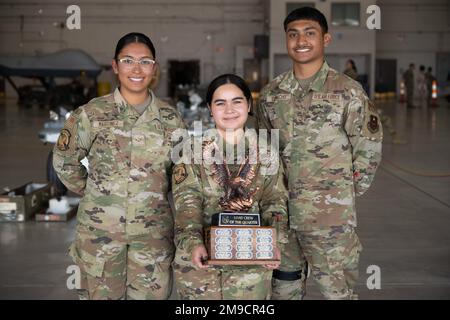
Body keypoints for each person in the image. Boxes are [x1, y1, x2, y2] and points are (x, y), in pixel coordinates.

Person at [257, 7, 383, 300]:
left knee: (336, 293)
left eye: (309, 33)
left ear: (325, 39)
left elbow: (368, 147)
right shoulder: (272, 94)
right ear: (286, 40)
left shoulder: (347, 91)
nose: (301, 40)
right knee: (282, 291)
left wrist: (342, 194)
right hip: (282, 219)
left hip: (330, 222)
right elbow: (264, 152)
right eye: (293, 34)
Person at [53, 32, 185, 300]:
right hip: (99, 236)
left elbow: (182, 175)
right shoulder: (91, 114)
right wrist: (97, 194)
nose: (137, 69)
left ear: (154, 67)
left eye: (145, 61)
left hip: (152, 238)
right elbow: (64, 161)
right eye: (128, 60)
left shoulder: (171, 120)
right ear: (115, 66)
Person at [172, 74, 289, 299]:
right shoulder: (192, 151)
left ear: (248, 104)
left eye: (237, 101)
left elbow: (275, 202)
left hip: (251, 266)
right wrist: (193, 244)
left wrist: (275, 242)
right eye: (220, 103)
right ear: (209, 108)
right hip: (201, 267)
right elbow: (187, 202)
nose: (229, 110)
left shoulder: (266, 152)